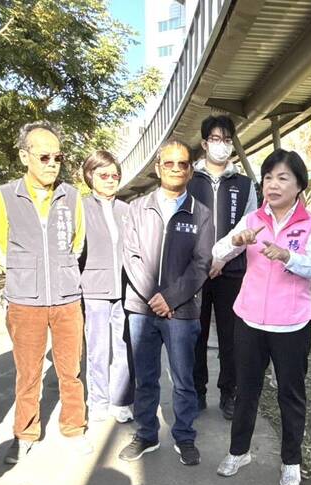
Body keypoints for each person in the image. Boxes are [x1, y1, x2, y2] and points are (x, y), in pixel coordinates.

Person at [214, 149, 311, 485]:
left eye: (283, 178)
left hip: (291, 323)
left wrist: (288, 256)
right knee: (247, 388)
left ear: (298, 185)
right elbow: (218, 253)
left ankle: (291, 461)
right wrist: (235, 242)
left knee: (290, 394)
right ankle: (238, 452)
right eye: (268, 178)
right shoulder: (252, 220)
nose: (273, 185)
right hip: (249, 319)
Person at [0, 121, 92, 464]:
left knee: (70, 369)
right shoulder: (6, 196)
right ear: (24, 156)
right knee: (29, 372)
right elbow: (0, 247)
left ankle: (74, 427)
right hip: (25, 300)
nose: (52, 163)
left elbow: (77, 244)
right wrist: (27, 276)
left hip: (66, 299)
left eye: (58, 157)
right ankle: (25, 433)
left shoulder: (72, 196)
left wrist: (59, 274)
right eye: (44, 156)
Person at [118, 140, 214, 467]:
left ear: (190, 170)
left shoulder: (201, 214)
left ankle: (184, 435)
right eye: (169, 163)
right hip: (142, 310)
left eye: (183, 164)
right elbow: (130, 257)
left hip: (182, 311)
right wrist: (153, 297)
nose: (176, 169)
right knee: (145, 377)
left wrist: (170, 298)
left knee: (184, 379)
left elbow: (201, 264)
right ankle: (146, 434)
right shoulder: (136, 209)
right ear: (158, 167)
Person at [188, 115, 258, 419]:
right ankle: (197, 391)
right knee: (196, 334)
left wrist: (222, 257)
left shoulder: (244, 184)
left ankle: (228, 393)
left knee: (232, 337)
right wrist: (205, 260)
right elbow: (182, 227)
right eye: (215, 139)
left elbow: (249, 226)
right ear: (204, 144)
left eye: (227, 140)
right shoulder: (188, 180)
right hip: (196, 273)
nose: (222, 145)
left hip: (232, 271)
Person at [79, 150, 134, 424]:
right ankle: (98, 400)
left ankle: (120, 400)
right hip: (94, 290)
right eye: (104, 175)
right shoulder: (80, 208)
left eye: (115, 175)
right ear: (90, 175)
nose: (110, 180)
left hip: (124, 290)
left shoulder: (127, 210)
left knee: (124, 347)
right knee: (98, 349)